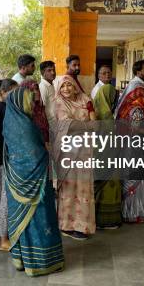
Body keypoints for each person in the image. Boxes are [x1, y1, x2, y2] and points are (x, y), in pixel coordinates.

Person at [3, 87, 65, 276]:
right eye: (29, 101)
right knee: (39, 219)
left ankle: (22, 260)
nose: (32, 105)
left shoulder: (10, 121)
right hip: (34, 181)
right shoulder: (26, 125)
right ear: (20, 103)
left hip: (16, 180)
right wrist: (47, 152)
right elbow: (33, 154)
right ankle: (40, 262)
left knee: (23, 222)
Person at [54, 75, 96, 240]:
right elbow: (67, 125)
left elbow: (94, 118)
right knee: (69, 187)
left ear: (75, 87)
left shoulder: (84, 98)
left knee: (84, 187)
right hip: (68, 152)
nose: (66, 89)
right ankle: (66, 225)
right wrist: (87, 126)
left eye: (69, 85)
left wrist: (86, 124)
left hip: (85, 151)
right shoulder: (59, 103)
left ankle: (83, 225)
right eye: (63, 86)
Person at [116, 77, 144, 223]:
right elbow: (137, 130)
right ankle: (137, 211)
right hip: (136, 146)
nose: (142, 96)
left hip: (127, 146)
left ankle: (129, 210)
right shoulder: (137, 109)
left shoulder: (125, 108)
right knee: (138, 177)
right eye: (141, 93)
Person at [0, 78, 18, 252]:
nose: (15, 96)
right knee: (6, 198)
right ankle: (2, 238)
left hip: (2, 159)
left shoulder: (3, 108)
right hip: (5, 159)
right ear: (3, 93)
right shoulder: (3, 108)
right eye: (12, 93)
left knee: (2, 194)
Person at [92, 83, 122, 229]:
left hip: (103, 158)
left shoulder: (97, 112)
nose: (114, 101)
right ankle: (106, 221)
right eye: (113, 98)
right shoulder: (105, 116)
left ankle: (101, 220)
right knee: (109, 188)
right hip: (105, 158)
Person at [38, 61, 57, 139]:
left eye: (54, 70)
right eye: (49, 70)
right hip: (50, 126)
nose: (53, 72)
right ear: (43, 72)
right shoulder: (43, 87)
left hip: (56, 124)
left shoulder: (51, 84)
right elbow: (42, 109)